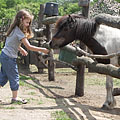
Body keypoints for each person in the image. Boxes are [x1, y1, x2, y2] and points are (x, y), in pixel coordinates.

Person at [0, 9, 49, 104]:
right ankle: (15, 98)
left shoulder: (13, 29)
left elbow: (11, 43)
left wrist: (21, 49)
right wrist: (42, 49)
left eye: (29, 23)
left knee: (3, 77)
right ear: (20, 20)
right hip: (9, 58)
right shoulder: (19, 32)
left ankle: (14, 97)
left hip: (4, 55)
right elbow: (29, 47)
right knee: (14, 77)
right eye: (27, 22)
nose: (28, 25)